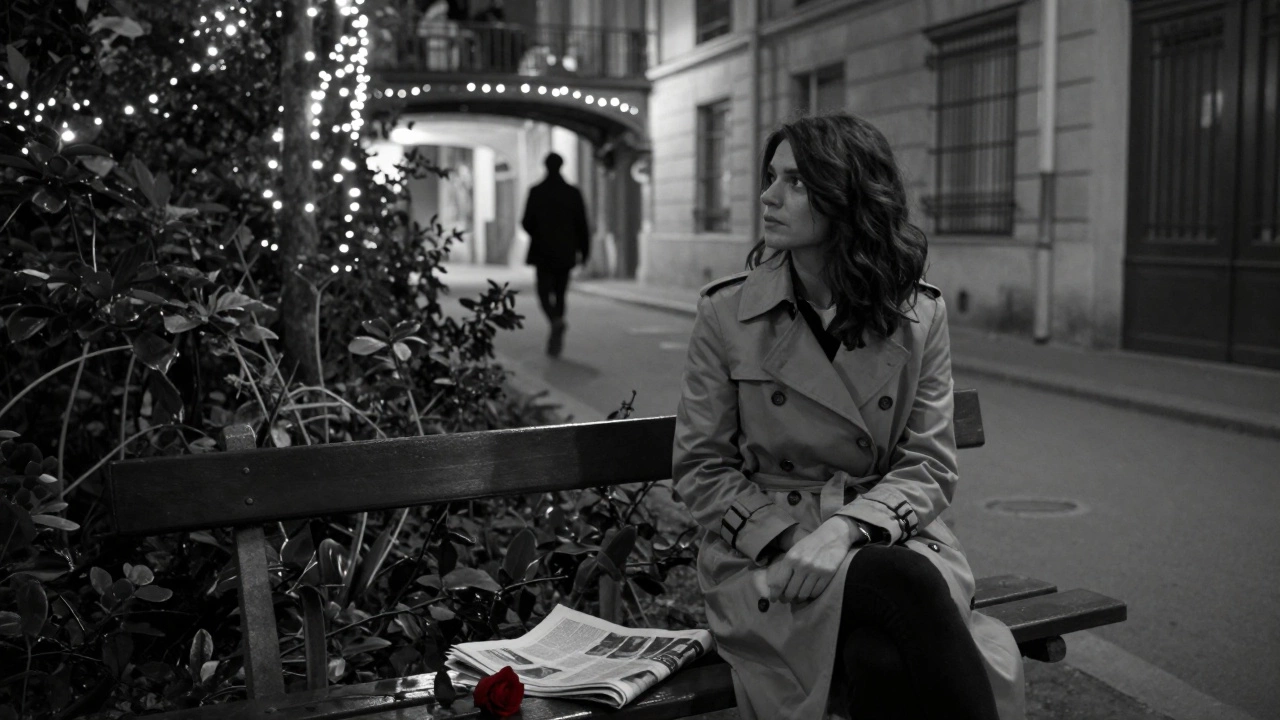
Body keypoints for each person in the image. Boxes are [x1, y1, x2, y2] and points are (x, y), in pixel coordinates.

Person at [672, 113, 1026, 720]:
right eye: (771, 176)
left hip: (879, 532)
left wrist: (842, 534)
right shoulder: (727, 314)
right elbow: (701, 468)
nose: (768, 196)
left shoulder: (917, 315)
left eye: (795, 182)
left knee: (879, 658)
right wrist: (789, 539)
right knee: (906, 588)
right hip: (766, 555)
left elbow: (929, 463)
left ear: (849, 197)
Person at [521, 152, 590, 357]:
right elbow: (582, 224)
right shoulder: (572, 193)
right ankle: (557, 324)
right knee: (560, 293)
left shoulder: (536, 191)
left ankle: (555, 321)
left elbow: (526, 222)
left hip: (543, 251)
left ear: (546, 166)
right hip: (566, 251)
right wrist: (584, 251)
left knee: (543, 292)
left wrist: (539, 233)